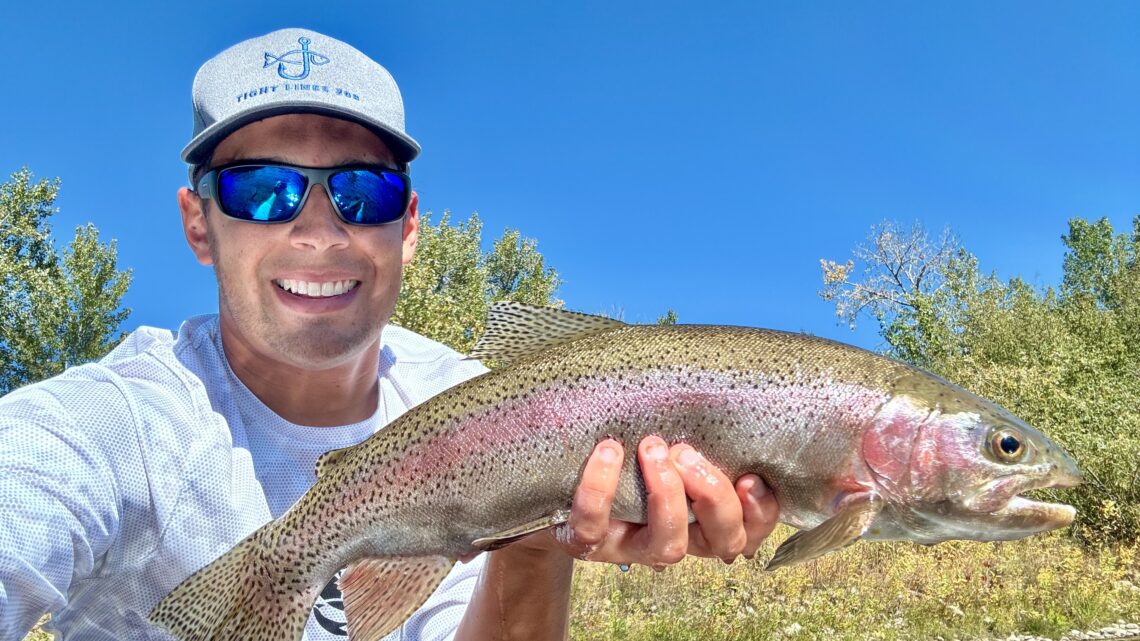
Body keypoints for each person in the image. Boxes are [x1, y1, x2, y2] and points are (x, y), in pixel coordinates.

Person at [0, 28, 779, 640]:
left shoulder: (490, 407)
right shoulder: (117, 424)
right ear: (198, 223)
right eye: (261, 188)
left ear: (407, 228)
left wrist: (535, 536)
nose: (316, 228)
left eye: (359, 190)